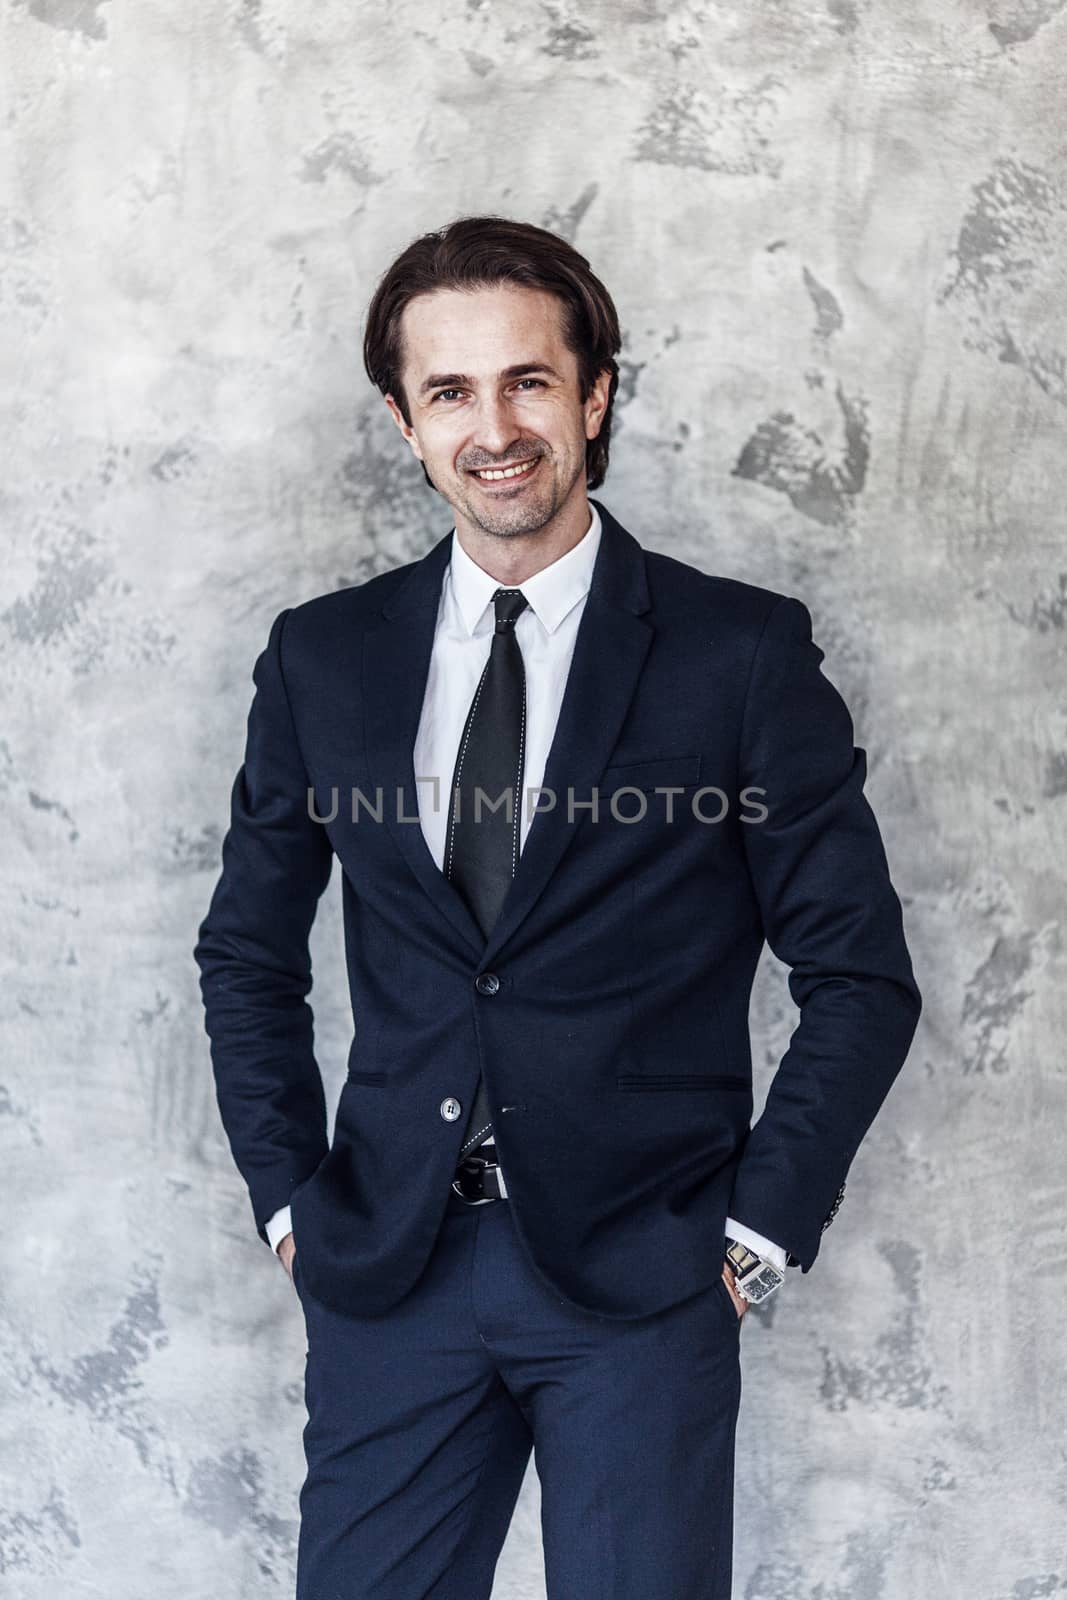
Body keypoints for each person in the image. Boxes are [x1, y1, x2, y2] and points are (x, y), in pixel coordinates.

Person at [193, 214, 922, 1600]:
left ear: (593, 396)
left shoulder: (741, 657)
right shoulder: (322, 661)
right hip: (390, 1271)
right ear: (408, 423)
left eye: (529, 380)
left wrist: (754, 1241)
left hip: (646, 1282)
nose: (495, 427)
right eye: (450, 392)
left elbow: (859, 976)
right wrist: (291, 1200)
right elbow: (246, 952)